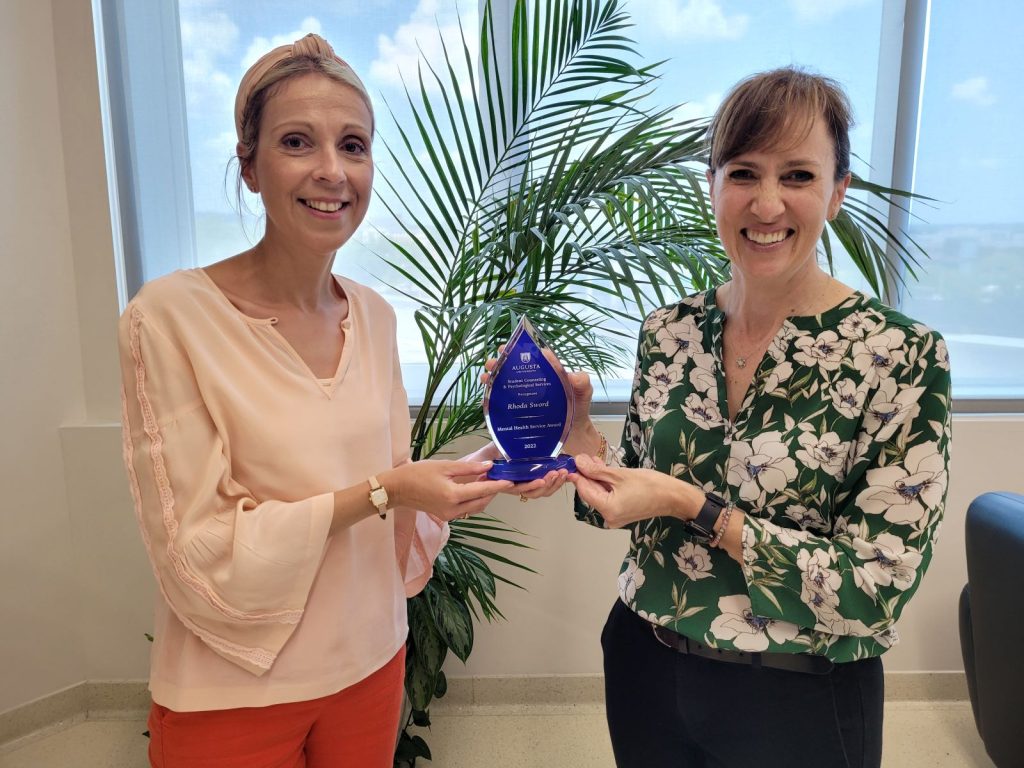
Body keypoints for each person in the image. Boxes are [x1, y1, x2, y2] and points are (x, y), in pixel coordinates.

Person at [528, 67, 952, 767]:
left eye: (797, 176)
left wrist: (695, 505)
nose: (766, 203)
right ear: (712, 185)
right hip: (646, 662)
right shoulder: (669, 330)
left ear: (837, 194)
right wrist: (578, 443)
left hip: (798, 694)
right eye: (744, 172)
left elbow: (877, 585)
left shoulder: (899, 355)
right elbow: (634, 501)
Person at [118, 34, 515, 768]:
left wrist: (474, 474)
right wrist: (384, 489)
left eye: (354, 146)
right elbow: (194, 548)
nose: (332, 172)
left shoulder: (375, 315)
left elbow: (390, 497)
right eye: (298, 142)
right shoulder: (169, 317)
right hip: (231, 688)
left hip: (371, 662)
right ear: (249, 167)